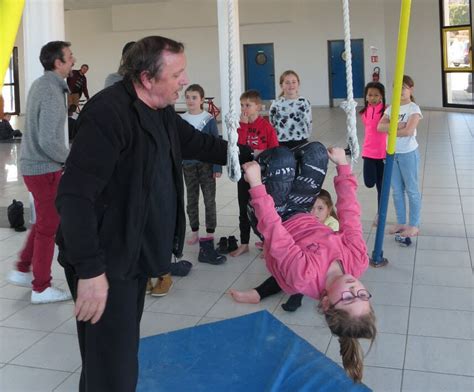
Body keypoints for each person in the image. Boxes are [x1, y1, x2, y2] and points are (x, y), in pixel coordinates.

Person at [55, 36, 252, 392]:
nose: (183, 80)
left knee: (112, 357)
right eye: (176, 73)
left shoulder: (160, 111)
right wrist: (90, 270)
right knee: (113, 370)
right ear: (147, 77)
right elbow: (74, 196)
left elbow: (196, 143)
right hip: (105, 260)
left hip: (133, 254)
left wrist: (249, 154)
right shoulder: (107, 114)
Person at [230, 145, 376, 383]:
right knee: (317, 152)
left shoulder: (304, 276)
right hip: (300, 209)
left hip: (272, 215)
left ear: (326, 302)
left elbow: (274, 232)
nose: (354, 288)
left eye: (349, 298)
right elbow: (350, 215)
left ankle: (261, 164)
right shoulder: (358, 262)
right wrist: (342, 167)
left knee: (281, 158)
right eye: (362, 294)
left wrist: (256, 184)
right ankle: (284, 171)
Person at [7, 41, 74, 304]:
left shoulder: (42, 84)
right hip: (44, 169)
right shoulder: (51, 91)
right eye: (69, 57)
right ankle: (41, 287)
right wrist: (71, 159)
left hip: (37, 167)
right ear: (58, 63)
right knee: (50, 227)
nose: (73, 60)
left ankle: (23, 268)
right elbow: (48, 140)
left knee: (43, 222)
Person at [180, 84, 227, 266]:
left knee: (209, 200)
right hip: (188, 166)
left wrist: (217, 167)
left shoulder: (208, 119)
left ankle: (210, 232)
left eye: (194, 97)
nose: (190, 100)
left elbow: (216, 144)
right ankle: (194, 230)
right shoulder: (182, 120)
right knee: (191, 199)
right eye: (188, 97)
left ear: (202, 100)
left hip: (207, 166)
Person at [231, 89, 279, 257]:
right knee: (243, 208)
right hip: (243, 174)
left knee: (262, 209)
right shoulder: (239, 126)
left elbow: (275, 152)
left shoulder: (266, 127)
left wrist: (261, 154)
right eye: (242, 105)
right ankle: (244, 243)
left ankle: (267, 242)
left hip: (261, 176)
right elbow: (239, 147)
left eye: (248, 105)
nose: (244, 109)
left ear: (258, 107)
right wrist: (242, 126)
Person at [378, 75, 422, 244]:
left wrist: (392, 128)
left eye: (403, 87)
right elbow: (379, 127)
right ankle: (401, 222)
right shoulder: (391, 108)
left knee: (411, 189)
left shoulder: (414, 109)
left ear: (411, 89)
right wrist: (399, 126)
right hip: (391, 154)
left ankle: (414, 224)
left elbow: (409, 132)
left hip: (408, 154)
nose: (400, 90)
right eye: (396, 87)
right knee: (396, 190)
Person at [282, 188, 340, 312]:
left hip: (321, 263)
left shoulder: (333, 224)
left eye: (320, 208)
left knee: (304, 274)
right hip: (307, 258)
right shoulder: (306, 224)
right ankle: (258, 293)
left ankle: (295, 298)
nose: (314, 213)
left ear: (328, 210)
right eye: (311, 208)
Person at [360, 82, 387, 225]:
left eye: (376, 95)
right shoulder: (365, 112)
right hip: (368, 152)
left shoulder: (386, 111)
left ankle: (380, 214)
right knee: (369, 182)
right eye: (370, 95)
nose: (373, 98)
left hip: (383, 154)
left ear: (382, 96)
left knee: (381, 188)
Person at [269, 70, 312, 148]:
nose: (291, 85)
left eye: (293, 82)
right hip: (282, 141)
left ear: (298, 84)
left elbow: (309, 121)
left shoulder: (304, 102)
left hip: (301, 140)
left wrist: (306, 134)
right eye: (287, 82)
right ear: (282, 85)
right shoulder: (276, 103)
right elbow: (272, 122)